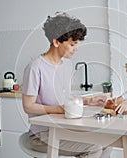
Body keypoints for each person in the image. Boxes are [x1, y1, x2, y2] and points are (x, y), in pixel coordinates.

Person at [22, 12, 110, 158]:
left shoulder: (67, 65)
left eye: (77, 44)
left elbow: (65, 98)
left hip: (65, 129)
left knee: (107, 142)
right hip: (42, 135)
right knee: (93, 147)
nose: (76, 48)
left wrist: (88, 101)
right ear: (56, 42)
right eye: (72, 44)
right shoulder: (35, 67)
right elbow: (28, 106)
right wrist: (59, 109)